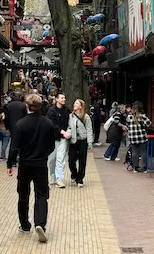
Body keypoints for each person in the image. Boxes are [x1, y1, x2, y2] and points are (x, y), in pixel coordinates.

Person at [7, 93, 58, 243]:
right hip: (40, 163)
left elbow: (14, 147)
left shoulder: (20, 124)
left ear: (27, 106)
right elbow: (51, 146)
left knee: (23, 194)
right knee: (41, 194)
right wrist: (43, 154)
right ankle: (40, 223)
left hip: (25, 163)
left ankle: (24, 224)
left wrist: (10, 163)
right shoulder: (48, 123)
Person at [46, 92, 71, 187]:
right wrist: (61, 131)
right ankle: (52, 175)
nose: (64, 99)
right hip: (53, 138)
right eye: (61, 98)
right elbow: (52, 124)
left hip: (63, 139)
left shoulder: (67, 110)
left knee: (61, 159)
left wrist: (67, 132)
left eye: (64, 98)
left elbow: (70, 122)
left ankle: (59, 178)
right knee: (52, 159)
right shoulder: (51, 111)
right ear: (56, 99)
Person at [68, 99, 94, 187]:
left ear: (81, 106)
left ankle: (80, 179)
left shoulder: (86, 117)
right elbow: (68, 127)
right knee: (71, 160)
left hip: (83, 140)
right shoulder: (70, 116)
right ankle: (74, 174)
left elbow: (89, 129)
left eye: (76, 103)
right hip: (73, 140)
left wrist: (90, 141)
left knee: (82, 161)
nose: (74, 104)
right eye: (74, 103)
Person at [126, 101, 152, 172]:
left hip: (132, 137)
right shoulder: (143, 116)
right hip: (142, 137)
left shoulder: (129, 116)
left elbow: (127, 125)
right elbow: (149, 124)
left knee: (134, 152)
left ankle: (135, 168)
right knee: (143, 152)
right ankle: (144, 167)